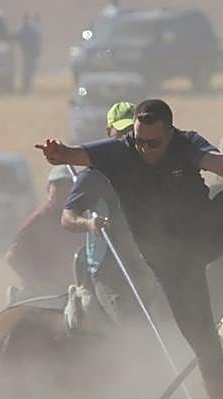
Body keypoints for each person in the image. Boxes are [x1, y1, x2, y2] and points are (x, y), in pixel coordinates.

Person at [36, 99, 223, 399]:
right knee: (208, 355)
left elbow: (220, 162)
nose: (145, 149)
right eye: (139, 141)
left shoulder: (186, 143)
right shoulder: (118, 152)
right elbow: (76, 156)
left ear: (170, 134)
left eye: (153, 143)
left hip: (203, 235)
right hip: (173, 265)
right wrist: (59, 154)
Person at [60, 102, 153, 320]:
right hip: (109, 270)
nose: (127, 139)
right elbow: (67, 218)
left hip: (148, 262)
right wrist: (88, 224)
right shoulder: (93, 175)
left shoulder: (153, 168)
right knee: (130, 321)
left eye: (132, 132)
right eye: (121, 132)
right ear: (109, 132)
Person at [5, 165, 79, 303]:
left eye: (69, 186)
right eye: (59, 186)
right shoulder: (38, 220)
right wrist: (39, 283)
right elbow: (12, 257)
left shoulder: (79, 219)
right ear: (48, 189)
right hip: (41, 294)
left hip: (69, 290)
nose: (65, 190)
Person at [14, 13, 41, 96]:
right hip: (28, 52)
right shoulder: (32, 28)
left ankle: (26, 87)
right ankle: (26, 86)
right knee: (28, 70)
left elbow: (17, 37)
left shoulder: (25, 28)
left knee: (28, 70)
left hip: (29, 52)